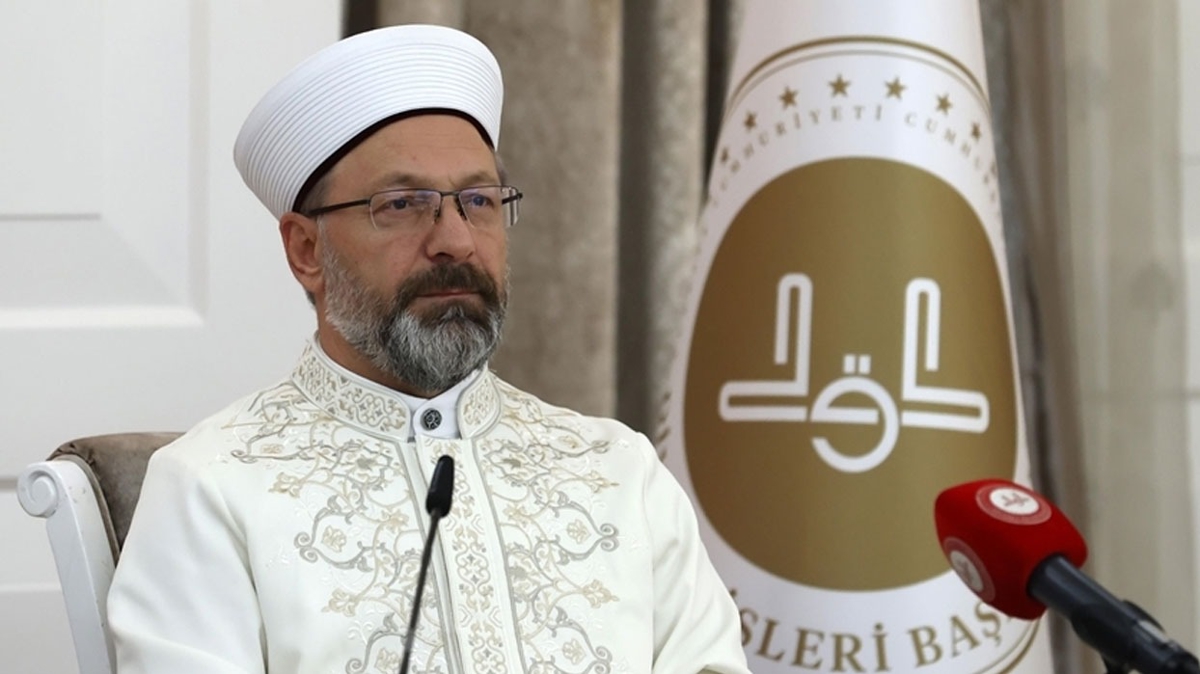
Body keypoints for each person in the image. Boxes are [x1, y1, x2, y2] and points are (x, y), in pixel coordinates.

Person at [106, 24, 751, 674]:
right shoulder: (211, 487)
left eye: (478, 201)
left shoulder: (619, 472)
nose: (456, 241)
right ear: (306, 250)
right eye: (403, 204)